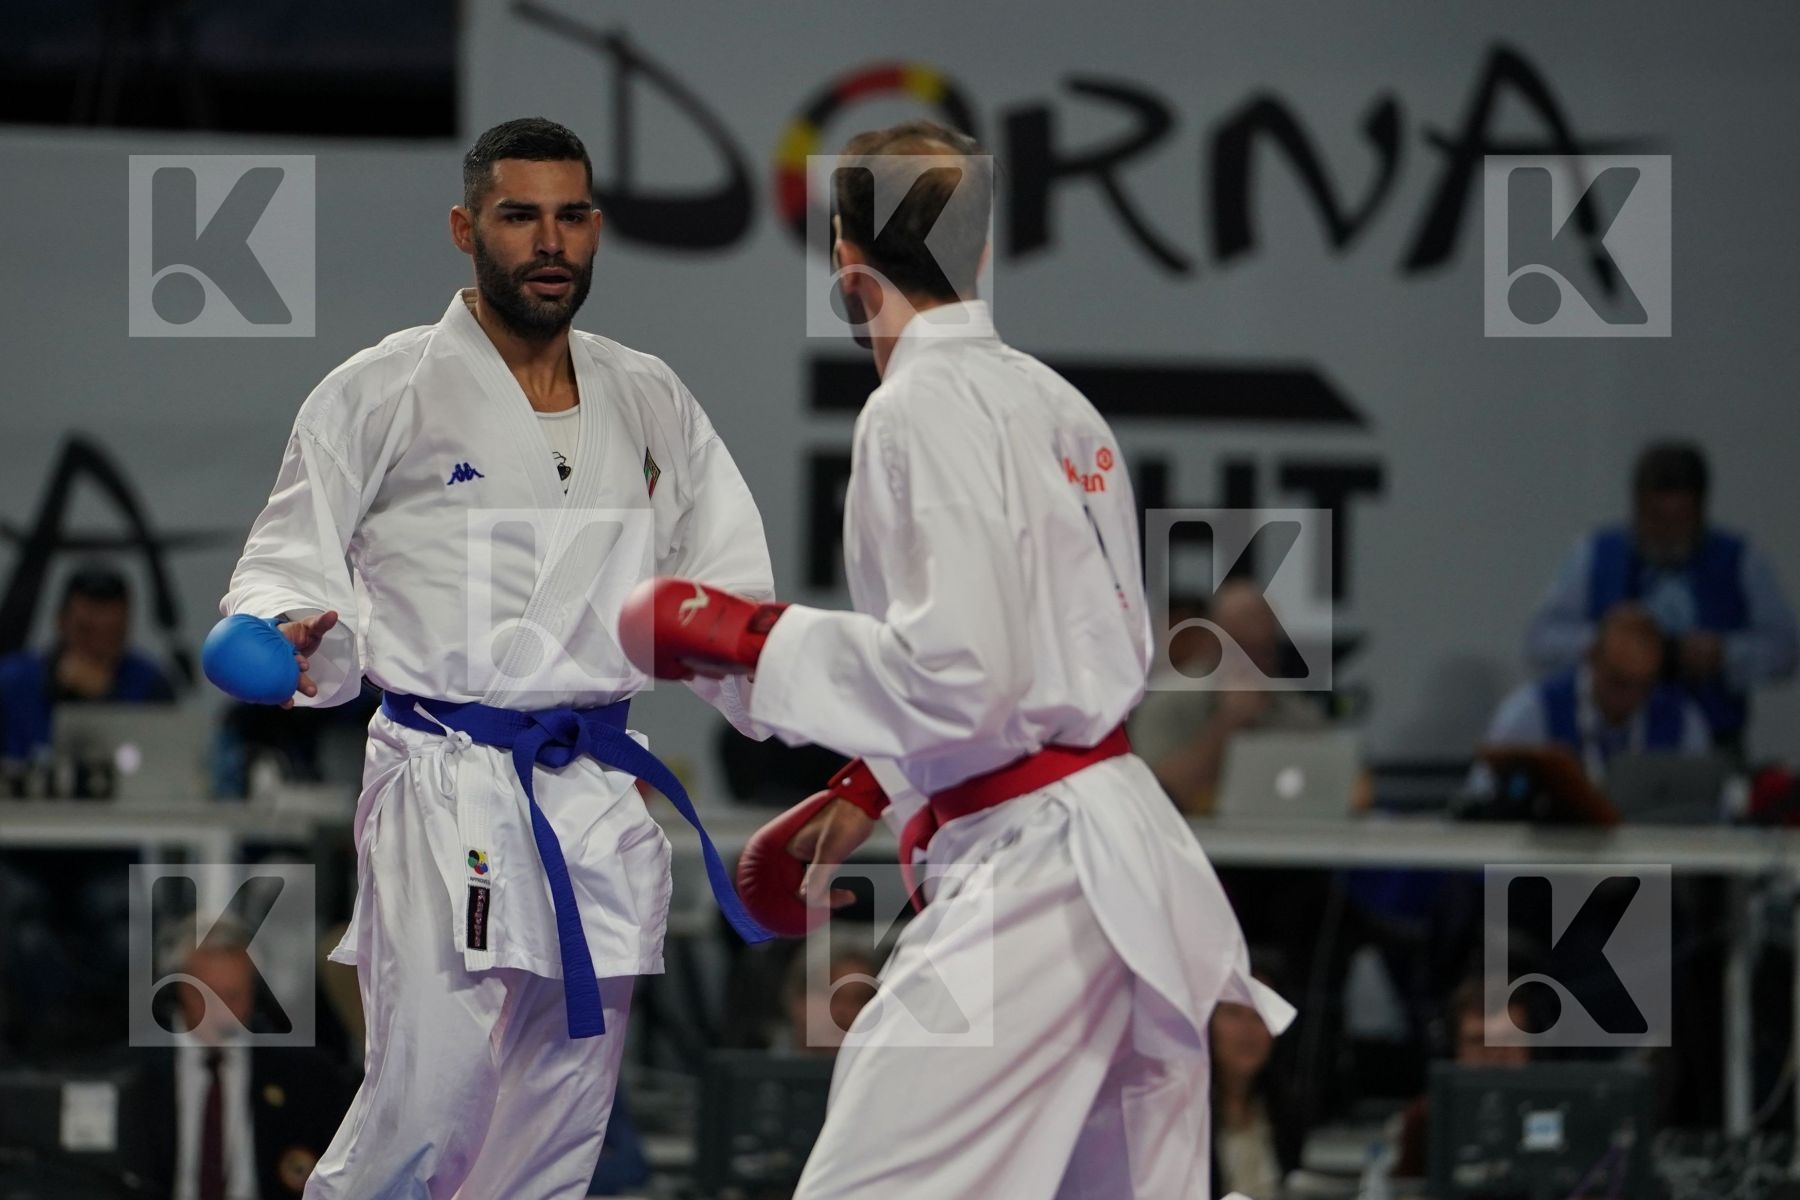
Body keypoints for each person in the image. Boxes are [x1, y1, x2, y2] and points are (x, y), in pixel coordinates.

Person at [621, 120, 1292, 1198]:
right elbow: (1060, 662)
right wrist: (876, 782)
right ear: (981, 255)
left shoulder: (913, 409)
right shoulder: (1060, 405)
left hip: (1035, 874)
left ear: (846, 265)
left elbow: (969, 674)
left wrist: (751, 638)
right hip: (1116, 857)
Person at [205, 117, 774, 1198]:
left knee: (561, 1126)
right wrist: (285, 632)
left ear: (597, 230)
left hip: (595, 791)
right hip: (446, 785)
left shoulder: (649, 394)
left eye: (570, 217)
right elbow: (289, 562)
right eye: (520, 217)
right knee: (425, 1106)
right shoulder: (384, 390)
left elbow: (730, 591)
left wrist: (789, 689)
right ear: (469, 228)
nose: (548, 242)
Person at [1526, 440, 1797, 751]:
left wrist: (1725, 653)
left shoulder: (1741, 559)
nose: (1668, 531)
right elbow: (1540, 639)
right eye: (1657, 518)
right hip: (1606, 739)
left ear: (1700, 511)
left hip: (1712, 739)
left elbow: (1785, 648)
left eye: (1680, 519)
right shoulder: (1596, 554)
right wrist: (1608, 647)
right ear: (1638, 508)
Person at [134, 927, 358, 1199]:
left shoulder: (309, 1075)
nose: (220, 1012)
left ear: (255, 994)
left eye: (233, 996)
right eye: (206, 995)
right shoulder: (131, 1073)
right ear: (178, 992)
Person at [1129, 579, 1328, 815]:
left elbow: (1326, 786)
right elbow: (1155, 794)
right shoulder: (1167, 701)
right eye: (1239, 647)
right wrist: (1228, 725)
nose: (1250, 663)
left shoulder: (1295, 709)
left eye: (1262, 650)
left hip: (1278, 838)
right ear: (1211, 643)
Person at [1477, 603, 1711, 794]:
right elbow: (1482, 795)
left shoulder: (1683, 720)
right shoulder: (1531, 711)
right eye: (1618, 682)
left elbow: (1705, 809)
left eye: (1643, 686)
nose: (1629, 697)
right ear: (1592, 658)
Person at [0, 562, 174, 760]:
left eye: (112, 634)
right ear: (61, 621)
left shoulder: (151, 686)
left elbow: (163, 767)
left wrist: (107, 698)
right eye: (86, 631)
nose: (98, 647)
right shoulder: (11, 682)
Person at [1210, 971, 1304, 1199]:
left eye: (1259, 1016)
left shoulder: (1286, 1110)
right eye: (1233, 1013)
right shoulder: (1184, 1115)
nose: (1247, 1029)